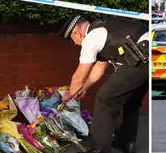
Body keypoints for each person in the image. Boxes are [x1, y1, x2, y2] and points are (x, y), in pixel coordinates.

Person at [57, 14, 149, 153]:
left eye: (72, 40)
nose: (75, 44)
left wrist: (69, 94)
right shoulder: (104, 30)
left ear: (77, 33)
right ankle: (125, 143)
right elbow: (99, 68)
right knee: (129, 101)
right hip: (150, 54)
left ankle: (98, 148)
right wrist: (85, 88)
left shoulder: (91, 38)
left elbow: (79, 77)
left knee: (105, 98)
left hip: (140, 58)